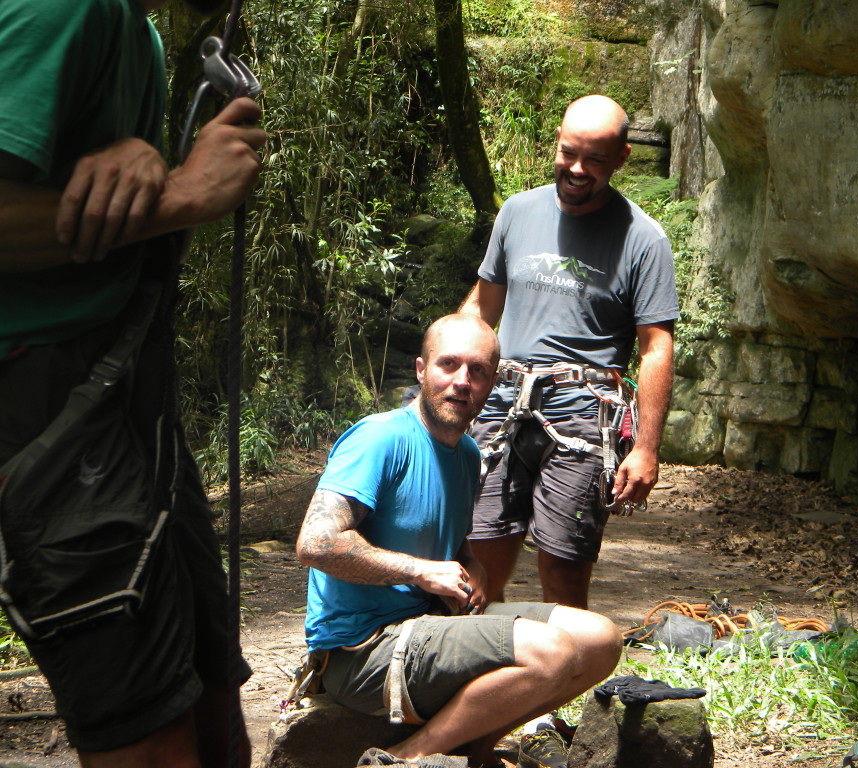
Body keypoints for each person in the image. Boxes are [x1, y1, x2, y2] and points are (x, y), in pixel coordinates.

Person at [0, 0, 266, 766]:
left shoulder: (135, 30)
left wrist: (148, 164)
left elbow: (86, 197)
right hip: (45, 401)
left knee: (215, 723)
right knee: (151, 747)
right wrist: (181, 195)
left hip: (125, 395)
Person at [296, 314, 621, 768]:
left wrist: (477, 568)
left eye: (478, 371)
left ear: (494, 381)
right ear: (421, 369)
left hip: (433, 622)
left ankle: (474, 752)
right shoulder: (379, 438)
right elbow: (315, 543)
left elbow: (453, 541)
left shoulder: (467, 453)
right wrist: (420, 571)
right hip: (363, 651)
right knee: (551, 652)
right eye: (448, 365)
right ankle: (405, 757)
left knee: (600, 639)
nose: (462, 382)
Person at [460, 94, 679, 610]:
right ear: (556, 139)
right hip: (501, 403)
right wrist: (444, 374)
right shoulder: (517, 212)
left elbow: (655, 347)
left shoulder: (643, 240)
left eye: (595, 160)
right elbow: (481, 308)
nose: (577, 170)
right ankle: (470, 680)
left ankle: (561, 680)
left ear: (622, 158)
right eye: (568, 153)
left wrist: (646, 447)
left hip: (584, 414)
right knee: (476, 559)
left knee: (563, 570)